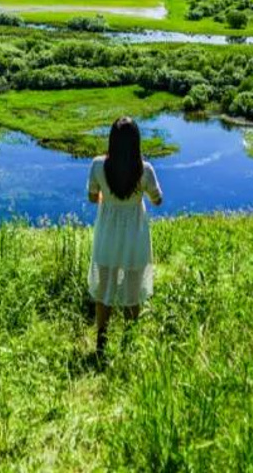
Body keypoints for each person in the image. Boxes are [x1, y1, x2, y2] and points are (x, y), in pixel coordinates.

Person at [87, 116, 163, 359]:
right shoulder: (145, 169)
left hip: (107, 233)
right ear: (136, 142)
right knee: (133, 285)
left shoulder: (98, 165)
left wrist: (107, 200)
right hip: (134, 235)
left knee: (104, 286)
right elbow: (157, 200)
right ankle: (129, 341)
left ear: (111, 140)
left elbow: (92, 197)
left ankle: (101, 339)